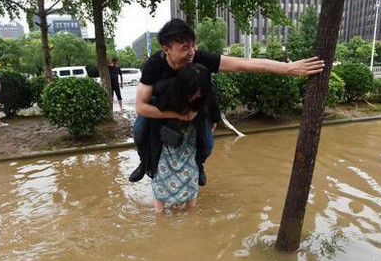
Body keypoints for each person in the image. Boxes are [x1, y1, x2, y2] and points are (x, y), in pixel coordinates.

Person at [128, 18, 325, 185]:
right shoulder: (153, 66)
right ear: (166, 49)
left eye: (193, 45)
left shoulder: (199, 57)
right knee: (139, 131)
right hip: (164, 105)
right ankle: (144, 162)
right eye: (185, 48)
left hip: (196, 106)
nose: (192, 52)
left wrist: (288, 68)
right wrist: (178, 115)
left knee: (208, 144)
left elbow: (243, 64)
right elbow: (141, 106)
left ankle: (199, 164)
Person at [149, 63, 213, 213]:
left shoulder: (204, 94)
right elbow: (148, 111)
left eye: (199, 93)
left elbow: (212, 111)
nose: (196, 96)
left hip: (191, 139)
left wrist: (211, 120)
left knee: (192, 170)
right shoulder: (164, 89)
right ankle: (159, 214)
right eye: (193, 93)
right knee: (161, 173)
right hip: (166, 139)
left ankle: (192, 211)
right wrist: (180, 116)